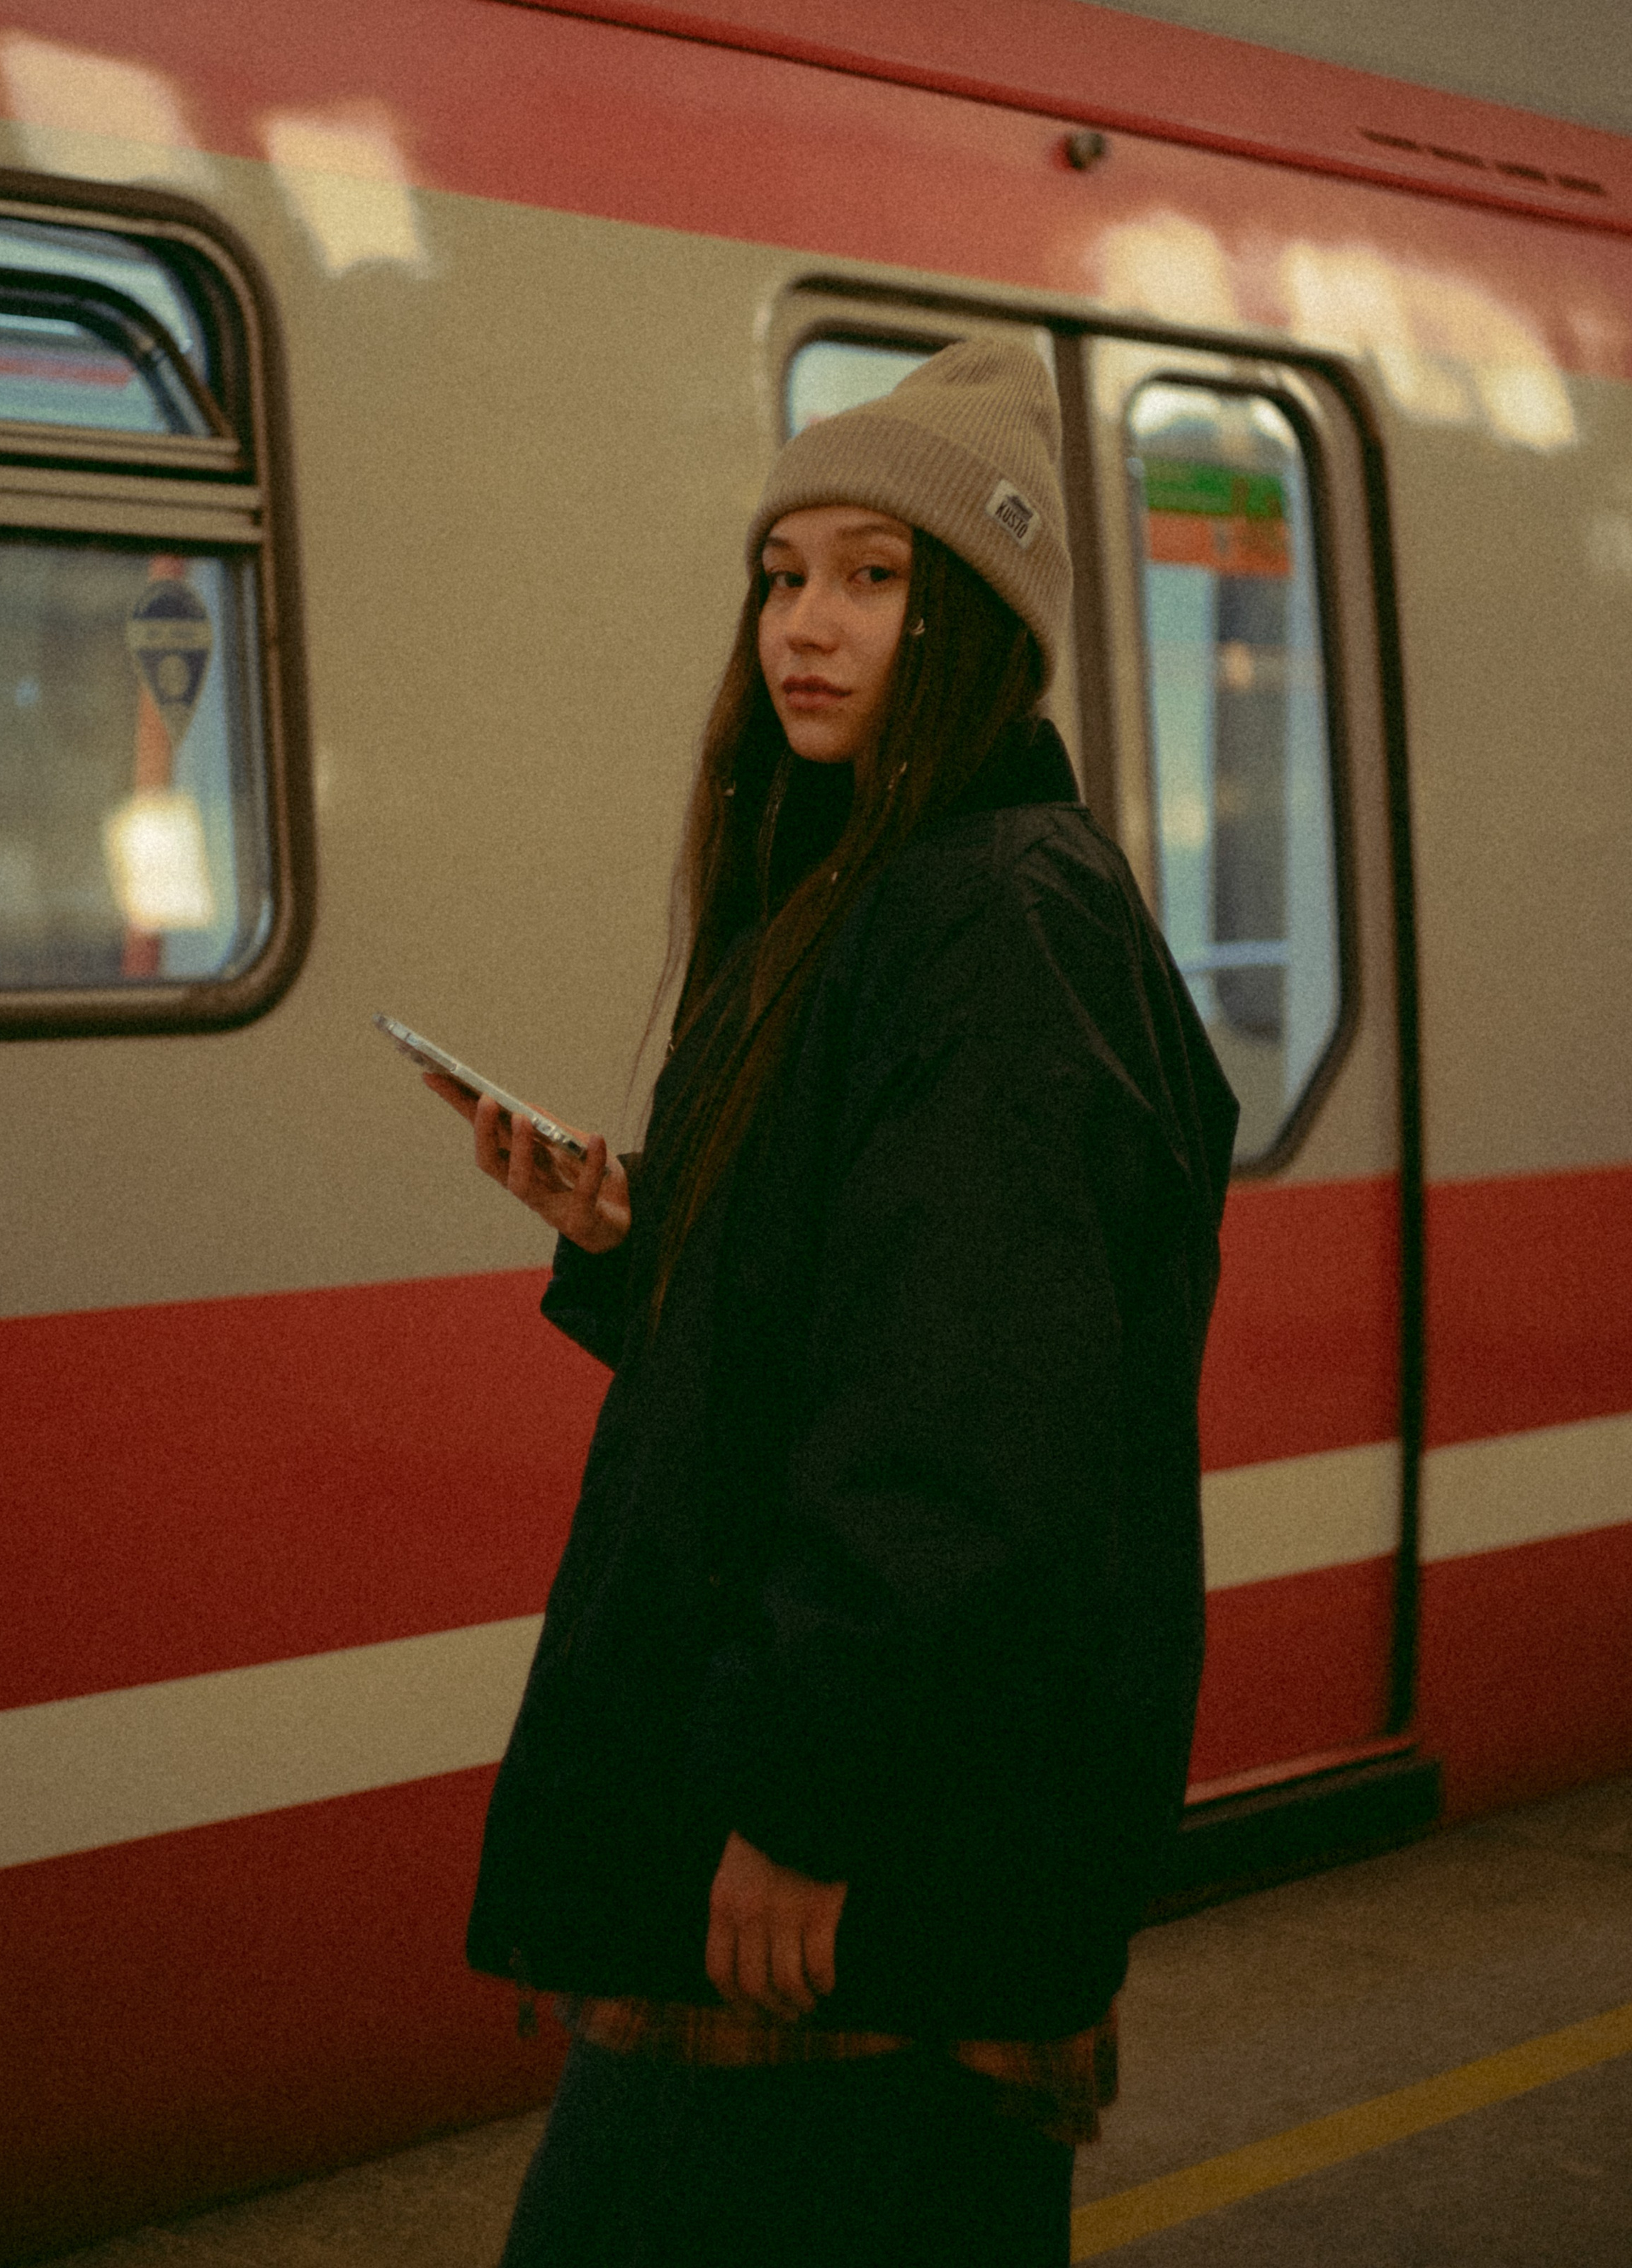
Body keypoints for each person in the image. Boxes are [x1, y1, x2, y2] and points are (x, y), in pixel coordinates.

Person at [425, 340, 1238, 2267]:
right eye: (784, 577)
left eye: (875, 576)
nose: (807, 626)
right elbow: (841, 1333)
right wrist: (631, 1238)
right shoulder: (860, 888)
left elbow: (966, 1432)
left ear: (973, 612)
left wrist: (809, 1805)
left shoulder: (989, 918)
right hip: (851, 1827)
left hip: (870, 1871)